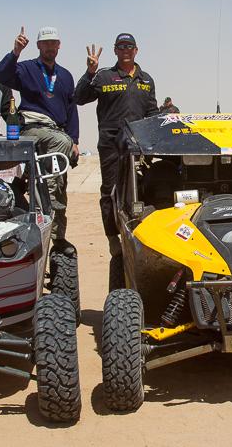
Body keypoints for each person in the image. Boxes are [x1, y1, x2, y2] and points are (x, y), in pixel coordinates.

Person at [74, 32, 157, 289]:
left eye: (129, 46)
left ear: (136, 50)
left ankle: (143, 235)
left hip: (138, 147)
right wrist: (89, 72)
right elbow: (79, 98)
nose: (125, 50)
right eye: (121, 46)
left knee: (142, 190)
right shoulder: (104, 76)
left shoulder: (146, 80)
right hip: (111, 145)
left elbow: (152, 113)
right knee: (110, 192)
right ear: (115, 50)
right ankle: (113, 238)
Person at [0, 26, 79, 249]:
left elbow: (71, 108)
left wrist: (75, 140)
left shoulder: (65, 75)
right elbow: (2, 74)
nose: (50, 47)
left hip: (57, 131)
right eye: (45, 43)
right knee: (54, 176)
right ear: (38, 46)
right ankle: (44, 213)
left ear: (59, 46)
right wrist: (15, 52)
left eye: (53, 43)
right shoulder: (27, 68)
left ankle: (57, 238)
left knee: (58, 183)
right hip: (32, 128)